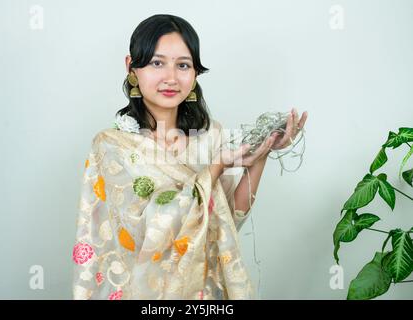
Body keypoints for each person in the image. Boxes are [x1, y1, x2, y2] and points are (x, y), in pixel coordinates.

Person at [72, 14, 307, 300]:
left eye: (183, 65)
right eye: (157, 63)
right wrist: (216, 168)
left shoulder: (210, 136)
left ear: (195, 73)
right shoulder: (112, 147)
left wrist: (263, 152)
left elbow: (228, 218)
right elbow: (145, 233)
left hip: (204, 294)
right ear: (132, 68)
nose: (171, 78)